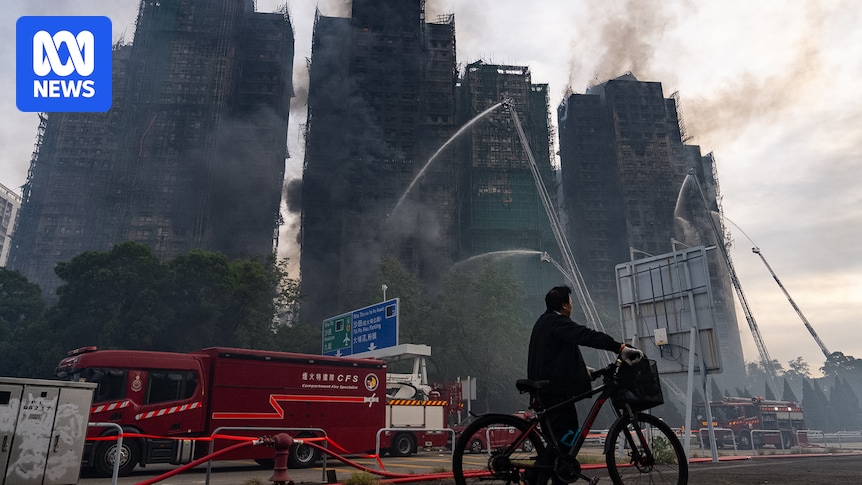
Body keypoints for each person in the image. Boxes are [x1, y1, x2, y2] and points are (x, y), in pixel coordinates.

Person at [526, 285, 643, 485]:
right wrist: (620, 347)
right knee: (568, 436)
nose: (572, 304)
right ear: (564, 305)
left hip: (546, 389)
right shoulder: (558, 322)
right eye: (570, 301)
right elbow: (586, 335)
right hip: (555, 392)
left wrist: (582, 370)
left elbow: (552, 357)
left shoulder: (544, 322)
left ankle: (544, 477)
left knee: (559, 445)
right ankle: (533, 477)